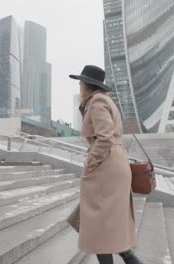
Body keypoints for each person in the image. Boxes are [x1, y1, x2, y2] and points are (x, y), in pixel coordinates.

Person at [69, 65, 142, 264]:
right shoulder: (105, 101)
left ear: (88, 85)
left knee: (100, 228)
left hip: (105, 167)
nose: (79, 85)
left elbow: (105, 138)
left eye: (81, 82)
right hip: (114, 165)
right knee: (107, 227)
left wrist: (90, 163)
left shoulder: (97, 101)